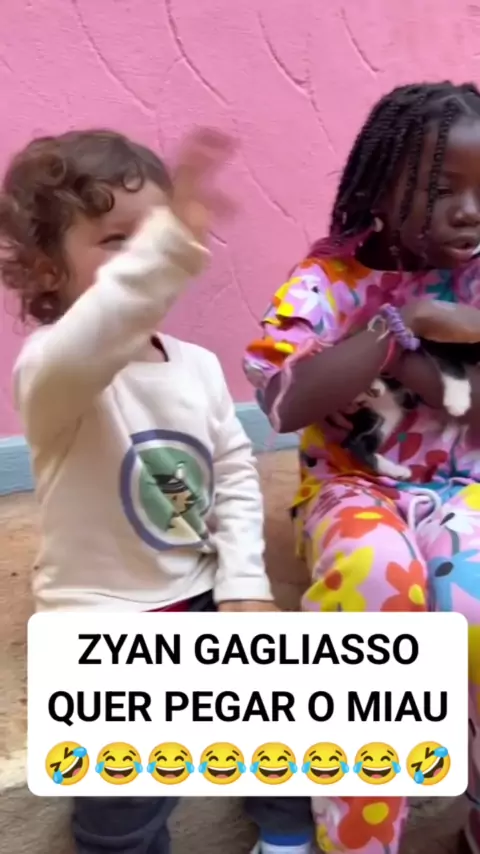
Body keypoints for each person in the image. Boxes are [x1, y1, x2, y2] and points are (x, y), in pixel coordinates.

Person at [0, 129, 314, 854]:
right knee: (126, 795)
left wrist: (243, 585)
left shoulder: (197, 367)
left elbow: (234, 475)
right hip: (100, 618)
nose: (148, 256)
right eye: (119, 240)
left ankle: (287, 838)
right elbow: (109, 318)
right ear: (47, 269)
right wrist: (168, 247)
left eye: (156, 233)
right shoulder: (52, 371)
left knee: (285, 712)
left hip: (197, 589)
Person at [244, 81, 480, 854]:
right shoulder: (327, 283)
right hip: (353, 488)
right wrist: (395, 326)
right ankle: (359, 838)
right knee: (375, 578)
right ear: (378, 191)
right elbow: (284, 402)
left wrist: (414, 358)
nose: (469, 212)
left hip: (463, 488)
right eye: (441, 190)